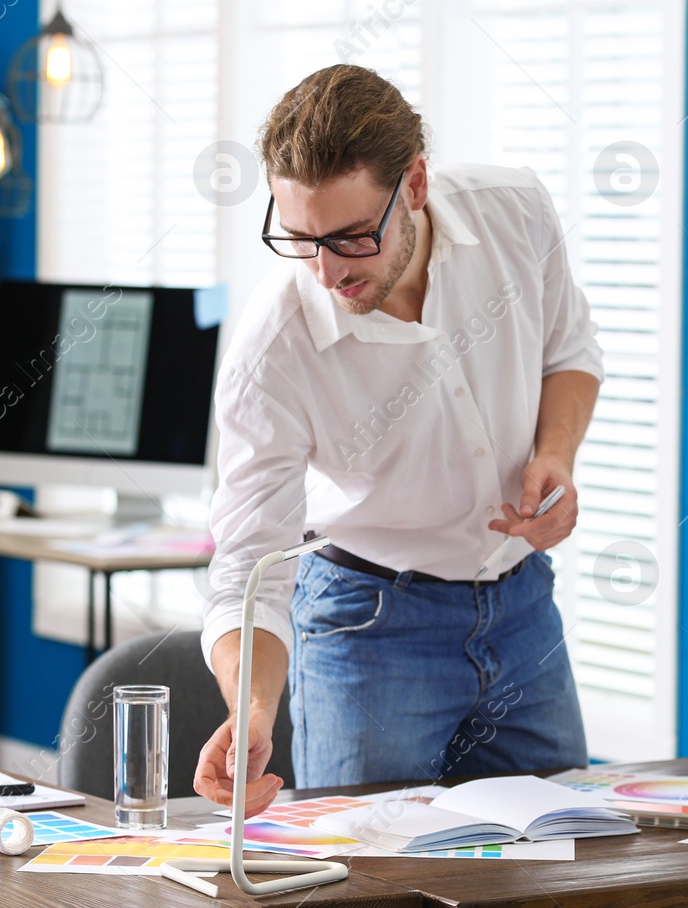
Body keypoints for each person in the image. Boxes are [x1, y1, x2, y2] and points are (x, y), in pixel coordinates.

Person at [193, 63, 602, 815]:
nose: (324, 270)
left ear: (414, 183)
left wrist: (555, 455)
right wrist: (254, 703)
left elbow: (569, 351)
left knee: (563, 863)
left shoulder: (514, 213)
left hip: (522, 608)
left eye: (350, 238)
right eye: (299, 239)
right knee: (370, 875)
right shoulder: (274, 344)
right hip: (368, 625)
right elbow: (249, 559)